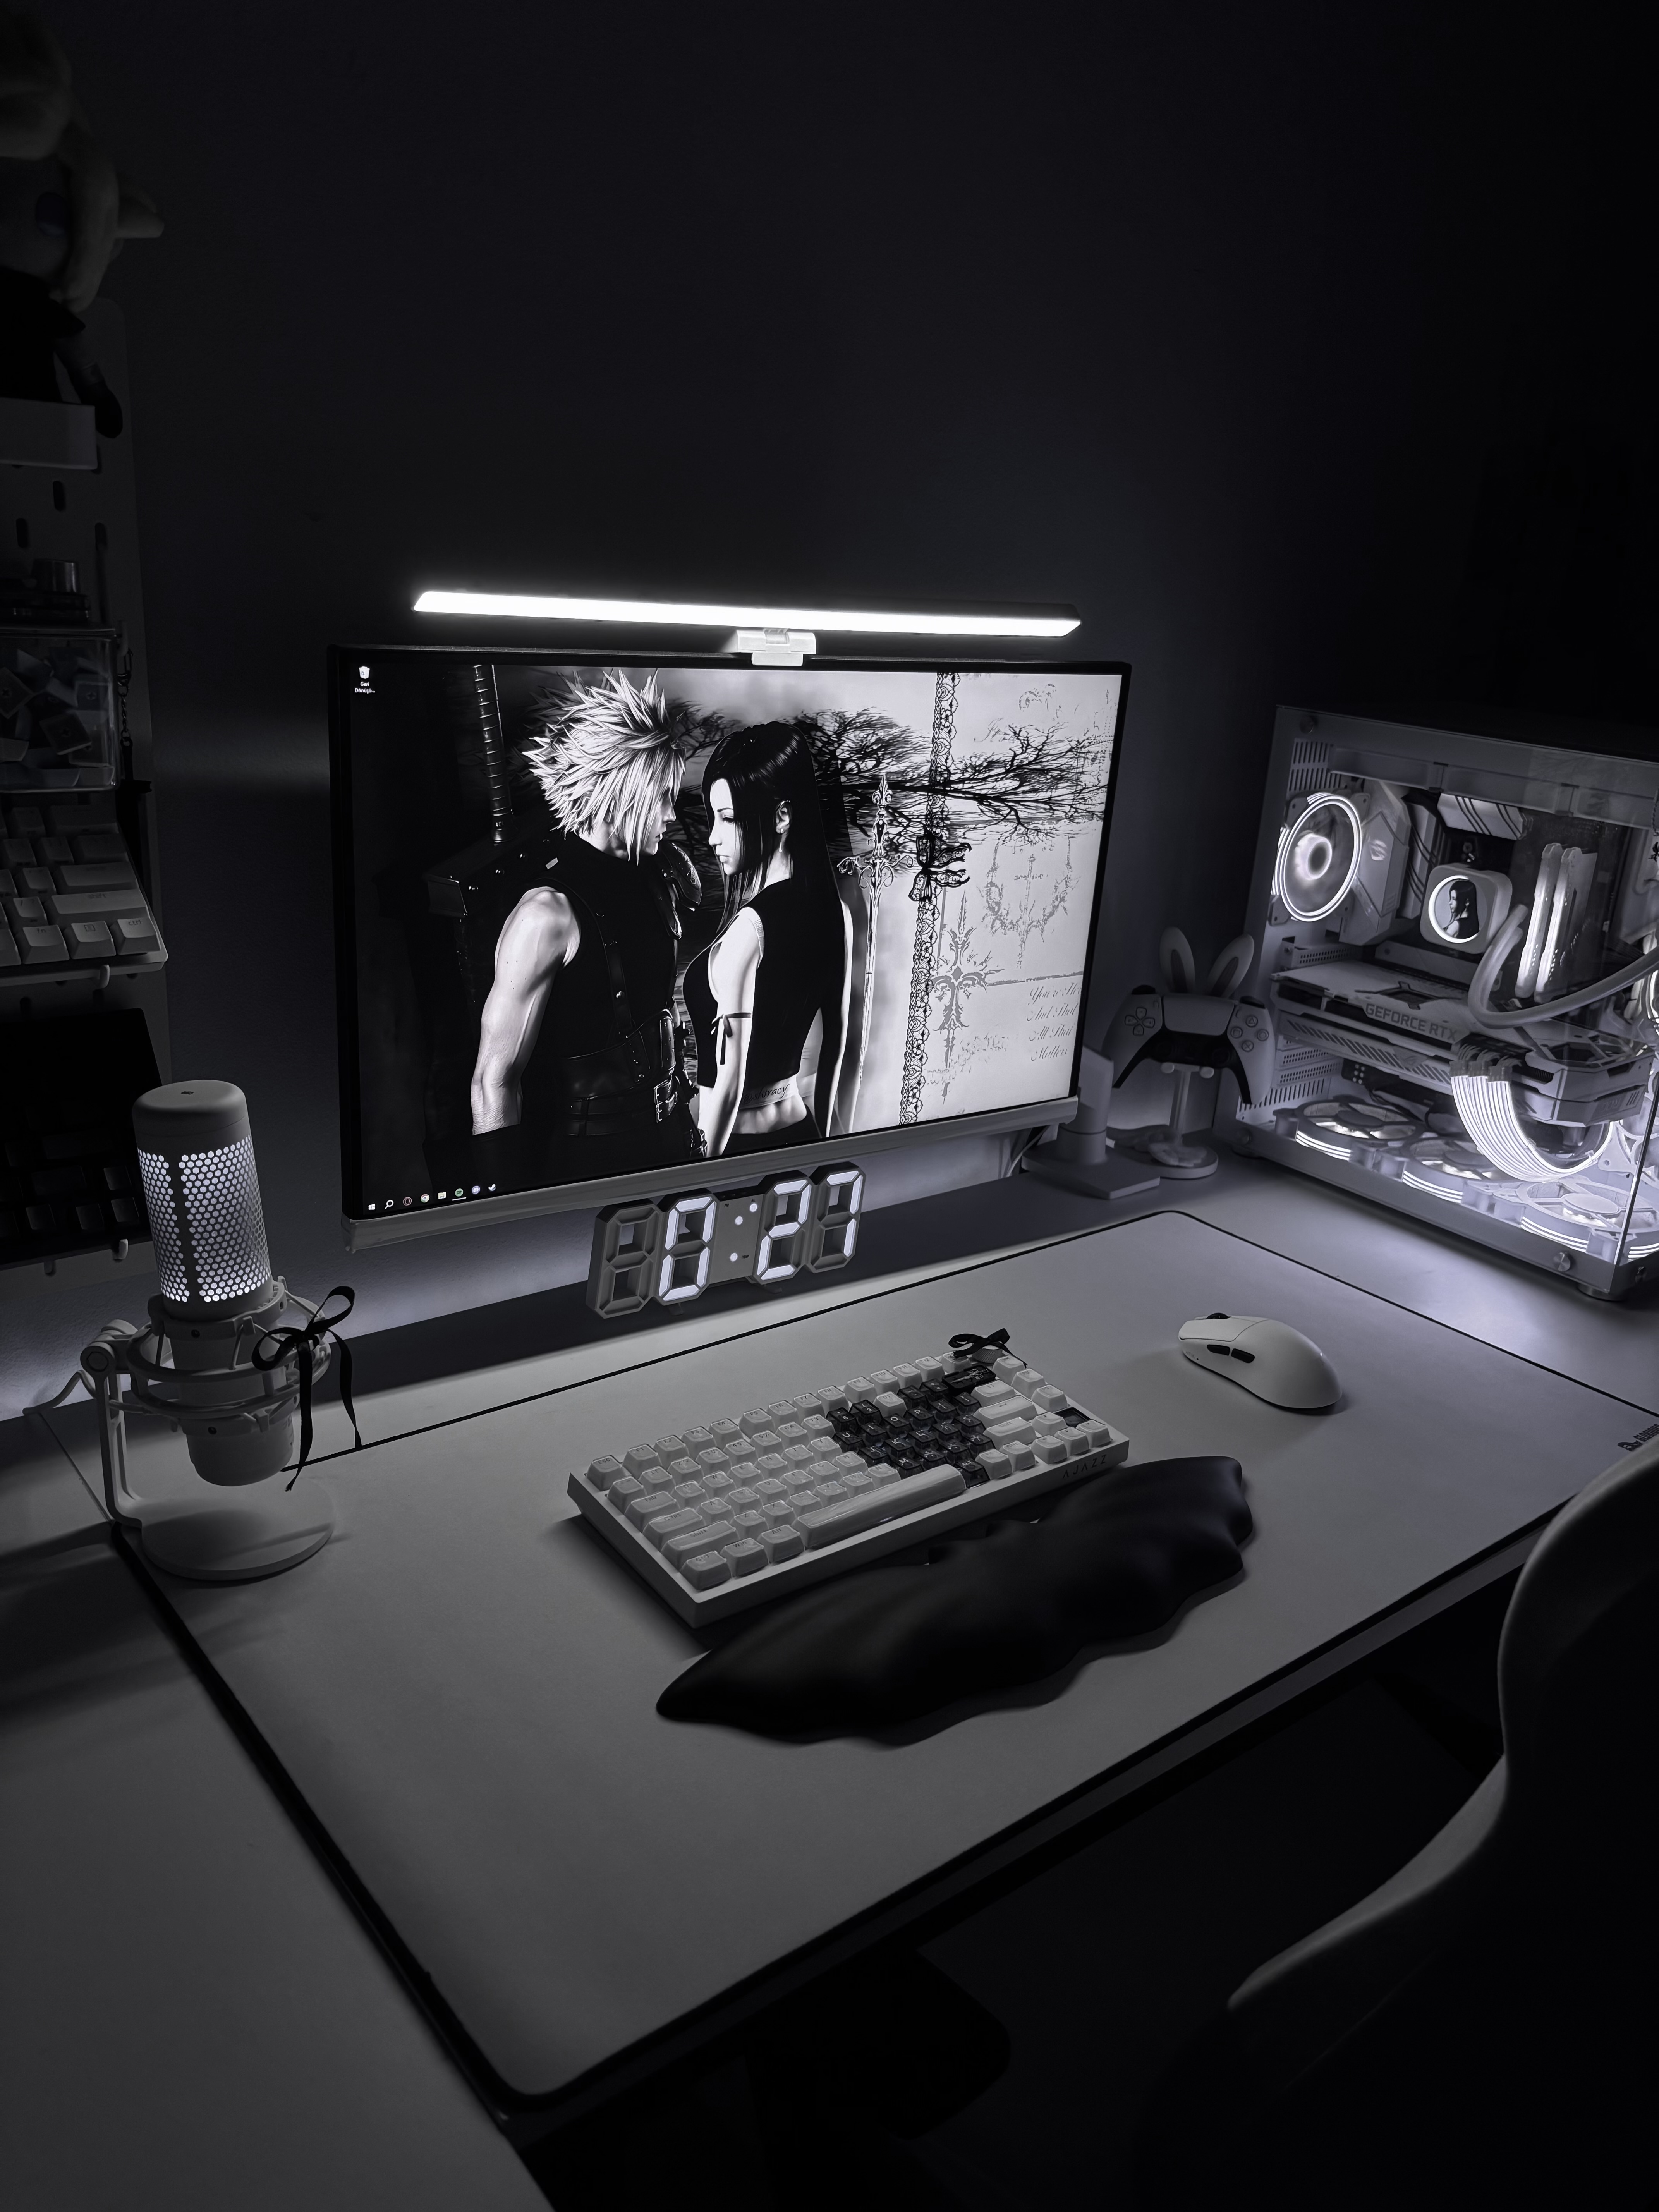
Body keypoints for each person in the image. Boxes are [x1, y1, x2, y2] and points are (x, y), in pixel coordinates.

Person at [469, 670, 702, 1187]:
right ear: (621, 794)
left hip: (673, 1142)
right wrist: (502, 1207)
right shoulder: (545, 915)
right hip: (590, 1165)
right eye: (662, 796)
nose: (672, 814)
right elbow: (493, 1081)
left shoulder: (661, 876)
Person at [683, 721, 853, 1158]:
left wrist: (698, 1173)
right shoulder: (837, 914)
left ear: (782, 817)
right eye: (713, 818)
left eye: (728, 818)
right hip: (801, 1130)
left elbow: (729, 1083)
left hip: (730, 1145)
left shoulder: (749, 930)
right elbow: (836, 1053)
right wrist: (824, 1149)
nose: (713, 837)